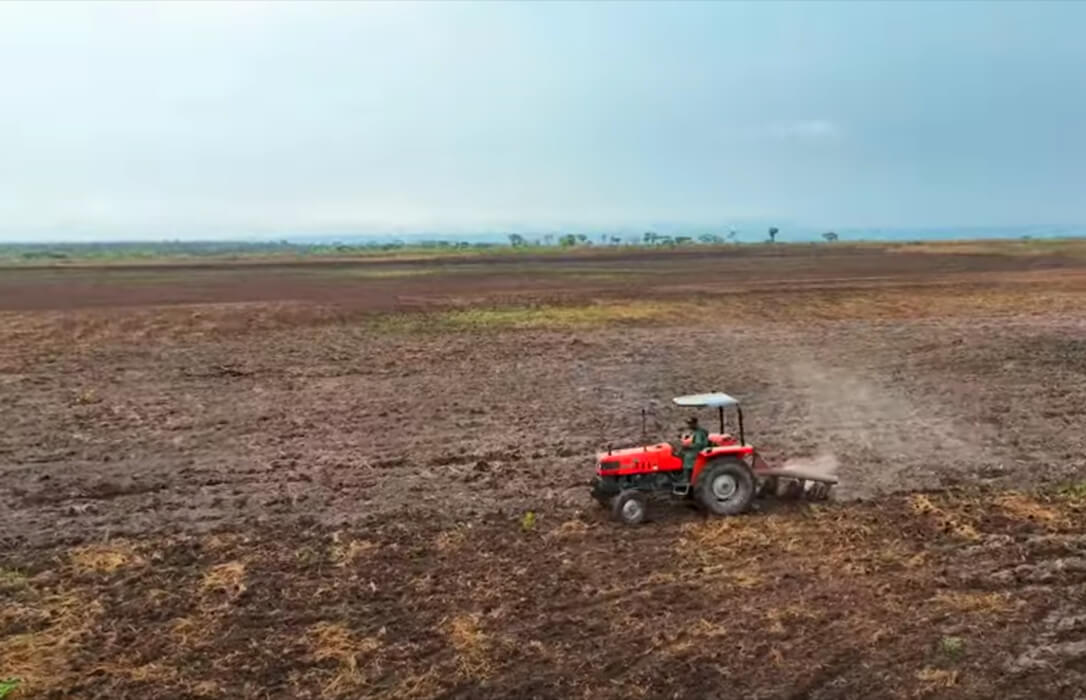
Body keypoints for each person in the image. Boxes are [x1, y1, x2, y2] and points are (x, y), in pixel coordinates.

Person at [677, 415, 709, 484]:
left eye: (690, 424)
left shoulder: (699, 432)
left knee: (688, 457)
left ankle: (686, 478)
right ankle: (680, 473)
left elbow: (698, 444)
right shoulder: (695, 431)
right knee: (680, 454)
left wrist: (689, 446)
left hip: (700, 450)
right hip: (696, 449)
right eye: (688, 424)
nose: (689, 426)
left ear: (695, 423)